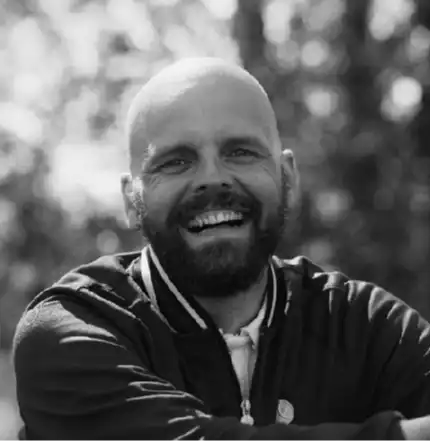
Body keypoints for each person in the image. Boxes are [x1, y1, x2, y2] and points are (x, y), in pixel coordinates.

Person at [12, 58, 430, 441]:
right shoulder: (71, 330)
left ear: (287, 177)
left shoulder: (369, 328)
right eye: (175, 162)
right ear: (131, 200)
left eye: (241, 152)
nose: (212, 179)